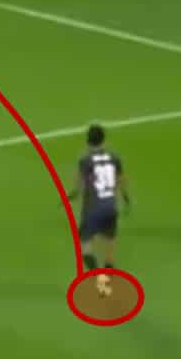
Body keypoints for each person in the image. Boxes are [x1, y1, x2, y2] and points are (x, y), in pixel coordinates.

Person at [64, 125, 131, 299]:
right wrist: (126, 200)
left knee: (85, 247)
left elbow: (78, 188)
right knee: (109, 253)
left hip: (93, 209)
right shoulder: (114, 158)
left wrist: (69, 197)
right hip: (111, 207)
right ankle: (110, 289)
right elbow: (121, 181)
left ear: (88, 141)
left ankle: (101, 283)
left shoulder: (85, 161)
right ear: (104, 140)